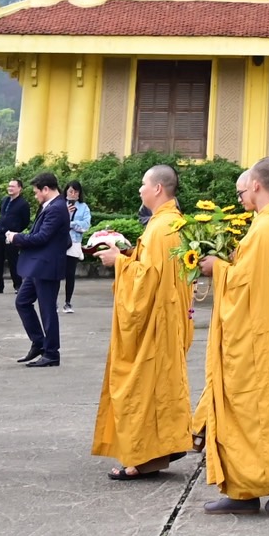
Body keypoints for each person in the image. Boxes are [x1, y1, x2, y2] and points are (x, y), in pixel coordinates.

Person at [194, 158, 269, 514]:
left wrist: (218, 268)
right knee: (245, 409)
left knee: (260, 408)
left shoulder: (268, 229)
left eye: (241, 191)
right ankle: (243, 490)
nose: (240, 197)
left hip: (256, 334)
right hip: (260, 328)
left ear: (257, 185)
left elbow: (247, 284)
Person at [92, 164, 193, 479]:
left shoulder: (161, 228)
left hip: (154, 322)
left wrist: (118, 262)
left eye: (143, 184)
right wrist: (129, 254)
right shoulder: (175, 223)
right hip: (170, 319)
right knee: (162, 385)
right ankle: (164, 446)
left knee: (142, 387)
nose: (140, 189)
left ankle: (142, 457)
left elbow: (146, 281)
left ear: (158, 189)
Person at [10, 171, 71, 368]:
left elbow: (42, 237)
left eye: (36, 192)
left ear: (46, 189)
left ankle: (51, 353)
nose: (35, 196)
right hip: (38, 266)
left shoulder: (56, 208)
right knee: (22, 301)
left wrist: (16, 237)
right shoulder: (52, 206)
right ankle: (39, 343)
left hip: (47, 266)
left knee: (47, 310)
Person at [0, 177, 29, 297]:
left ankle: (18, 285)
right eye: (9, 186)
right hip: (0, 233)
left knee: (13, 260)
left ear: (19, 188)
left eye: (13, 186)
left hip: (12, 235)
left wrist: (15, 230)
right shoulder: (4, 200)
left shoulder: (23, 204)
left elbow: (25, 221)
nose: (10, 188)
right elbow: (1, 213)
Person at [64, 185, 94, 313]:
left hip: (74, 242)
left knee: (70, 274)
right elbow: (53, 222)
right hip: (59, 242)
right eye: (71, 191)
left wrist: (69, 223)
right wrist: (65, 214)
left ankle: (68, 302)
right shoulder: (60, 205)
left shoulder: (83, 207)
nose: (73, 194)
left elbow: (85, 226)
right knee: (55, 273)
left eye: (76, 192)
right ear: (66, 191)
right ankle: (52, 302)